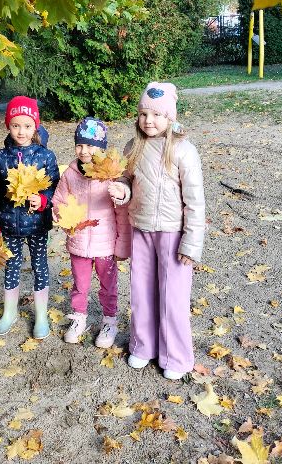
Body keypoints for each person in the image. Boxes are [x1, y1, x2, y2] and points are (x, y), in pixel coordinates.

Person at [108, 82, 205, 380]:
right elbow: (127, 180)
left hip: (173, 233)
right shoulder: (133, 147)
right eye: (143, 114)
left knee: (172, 297)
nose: (148, 120)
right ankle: (143, 345)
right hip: (141, 229)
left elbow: (195, 201)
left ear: (170, 117)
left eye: (156, 115)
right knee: (141, 291)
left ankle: (175, 356)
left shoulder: (183, 151)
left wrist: (191, 243)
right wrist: (122, 190)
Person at [53, 117, 130, 348]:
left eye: (90, 145)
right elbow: (59, 201)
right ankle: (79, 318)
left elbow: (122, 212)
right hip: (78, 241)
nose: (84, 151)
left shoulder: (110, 175)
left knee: (108, 285)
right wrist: (62, 218)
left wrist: (122, 243)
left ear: (101, 148)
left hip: (105, 244)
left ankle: (109, 320)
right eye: (79, 145)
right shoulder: (70, 174)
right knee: (80, 285)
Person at [0, 96, 59, 339]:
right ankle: (10, 312)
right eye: (16, 125)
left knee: (40, 265)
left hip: (37, 224)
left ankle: (41, 315)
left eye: (27, 126)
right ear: (8, 126)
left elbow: (55, 186)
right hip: (9, 223)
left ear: (35, 127)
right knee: (11, 265)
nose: (21, 131)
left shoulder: (46, 156)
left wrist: (43, 200)